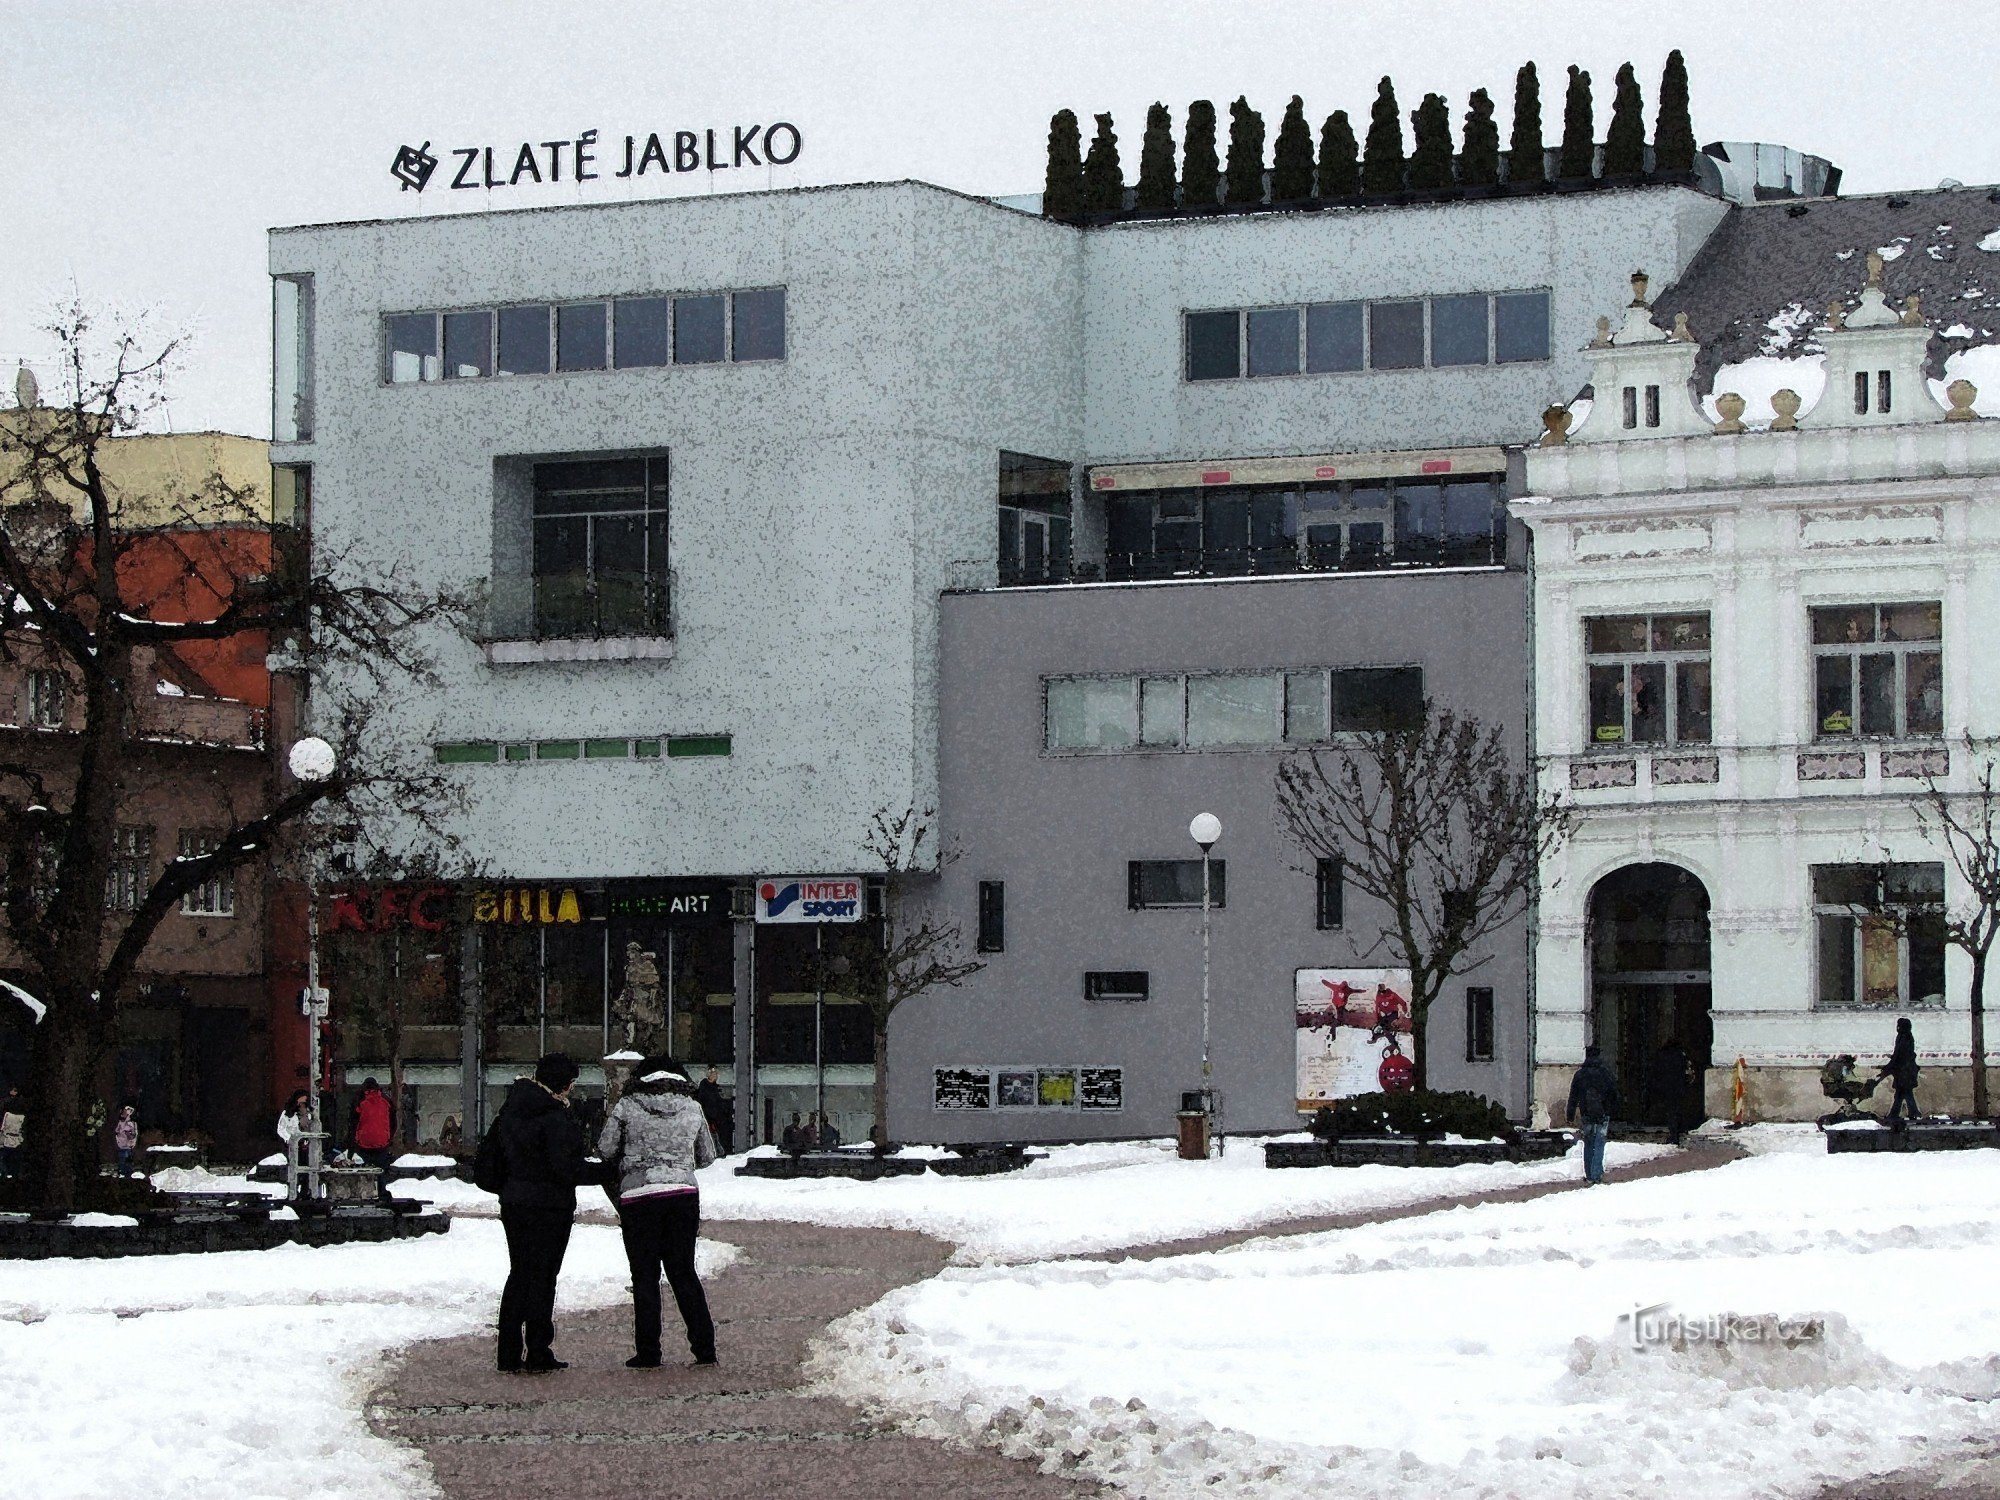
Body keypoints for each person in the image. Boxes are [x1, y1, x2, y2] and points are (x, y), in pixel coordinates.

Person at [597, 1058, 718, 1369]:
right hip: (682, 1196)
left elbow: (606, 1148)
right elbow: (707, 1156)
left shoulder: (626, 1105)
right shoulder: (693, 1106)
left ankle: (649, 1351)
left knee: (645, 1276)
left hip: (639, 1197)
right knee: (684, 1273)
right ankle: (704, 1348)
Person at [483, 1054, 592, 1373]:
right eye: (571, 1083)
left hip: (515, 1202)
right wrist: (604, 1172)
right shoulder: (555, 1115)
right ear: (563, 1083)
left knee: (519, 1273)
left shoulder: (511, 1109)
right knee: (544, 1277)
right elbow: (565, 1168)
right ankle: (538, 1350)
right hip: (550, 1206)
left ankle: (508, 1352)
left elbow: (492, 1156)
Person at [1567, 1045, 1620, 1185]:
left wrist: (1570, 1114)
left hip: (1586, 1113)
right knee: (1599, 1142)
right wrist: (1613, 1109)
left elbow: (1573, 1096)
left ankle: (1589, 1173)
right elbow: (1613, 1093)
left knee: (1589, 1142)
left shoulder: (1580, 1074)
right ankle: (1596, 1174)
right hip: (1603, 1112)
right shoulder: (1605, 1073)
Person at [1878, 1017, 1921, 1127]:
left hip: (1904, 1071)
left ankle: (1905, 1113)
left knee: (1903, 1093)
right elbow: (1900, 1054)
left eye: (1899, 1025)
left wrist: (1888, 1067)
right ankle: (1911, 1112)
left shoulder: (1904, 1037)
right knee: (1903, 1093)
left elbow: (1900, 1055)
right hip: (1905, 1070)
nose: (1897, 1028)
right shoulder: (1906, 1036)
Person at [1649, 1036, 1692, 1144]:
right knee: (1678, 1109)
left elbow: (1656, 1070)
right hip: (1678, 1086)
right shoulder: (1681, 1055)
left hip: (1666, 1086)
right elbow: (1688, 1070)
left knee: (1671, 1111)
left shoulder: (1662, 1054)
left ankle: (1674, 1134)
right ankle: (1680, 1130)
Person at [351, 1078, 395, 1171]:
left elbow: (353, 1122)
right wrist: (389, 1138)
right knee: (381, 1169)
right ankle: (381, 1183)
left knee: (363, 1169)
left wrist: (353, 1140)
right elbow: (393, 1122)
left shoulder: (360, 1100)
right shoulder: (386, 1100)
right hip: (382, 1141)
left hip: (363, 1141)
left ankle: (366, 1181)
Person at [695, 1066, 727, 1146]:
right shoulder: (705, 1087)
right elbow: (704, 1102)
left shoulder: (714, 1088)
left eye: (716, 1074)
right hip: (709, 1119)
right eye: (713, 1073)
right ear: (709, 1074)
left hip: (714, 1120)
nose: (715, 1076)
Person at [0, 1088, 24, 1179]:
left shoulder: (8, 1112)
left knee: (6, 1156)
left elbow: (3, 1127)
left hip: (9, 1138)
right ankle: (9, 1173)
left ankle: (7, 1172)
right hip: (13, 1138)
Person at [112, 1104, 139, 1176]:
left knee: (127, 1160)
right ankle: (122, 1171)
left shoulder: (131, 1123)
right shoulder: (120, 1123)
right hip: (121, 1145)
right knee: (121, 1160)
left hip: (127, 1146)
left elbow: (133, 1134)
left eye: (124, 1112)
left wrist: (129, 1135)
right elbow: (117, 1131)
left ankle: (127, 1173)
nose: (122, 1114)